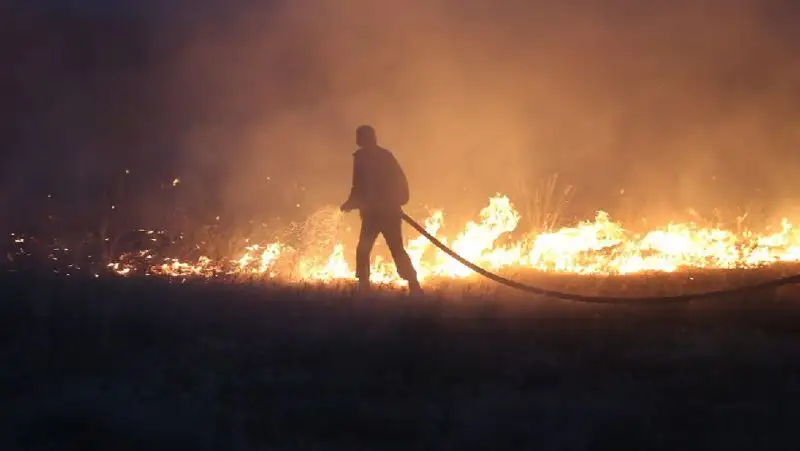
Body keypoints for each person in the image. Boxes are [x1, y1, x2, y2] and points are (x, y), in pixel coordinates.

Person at [340, 125, 423, 296]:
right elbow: (359, 186)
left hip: (385, 213)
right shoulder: (364, 157)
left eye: (359, 136)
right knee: (372, 249)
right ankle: (365, 286)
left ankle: (412, 283)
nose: (357, 140)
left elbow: (396, 181)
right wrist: (351, 202)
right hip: (375, 213)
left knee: (389, 248)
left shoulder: (381, 157)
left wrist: (394, 201)